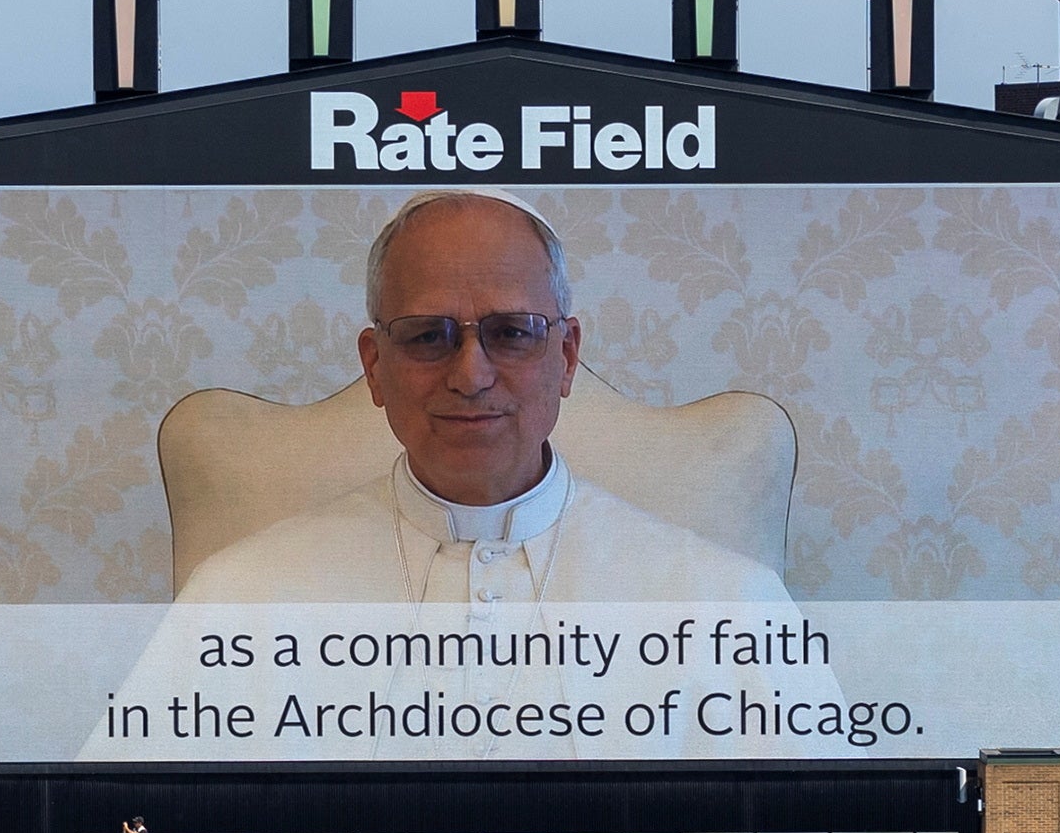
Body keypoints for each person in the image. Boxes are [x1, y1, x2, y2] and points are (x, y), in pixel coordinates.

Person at [172, 190, 795, 611]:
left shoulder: (724, 602)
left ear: (566, 356)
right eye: (427, 335)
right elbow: (155, 778)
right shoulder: (238, 598)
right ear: (375, 367)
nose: (470, 376)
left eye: (512, 333)